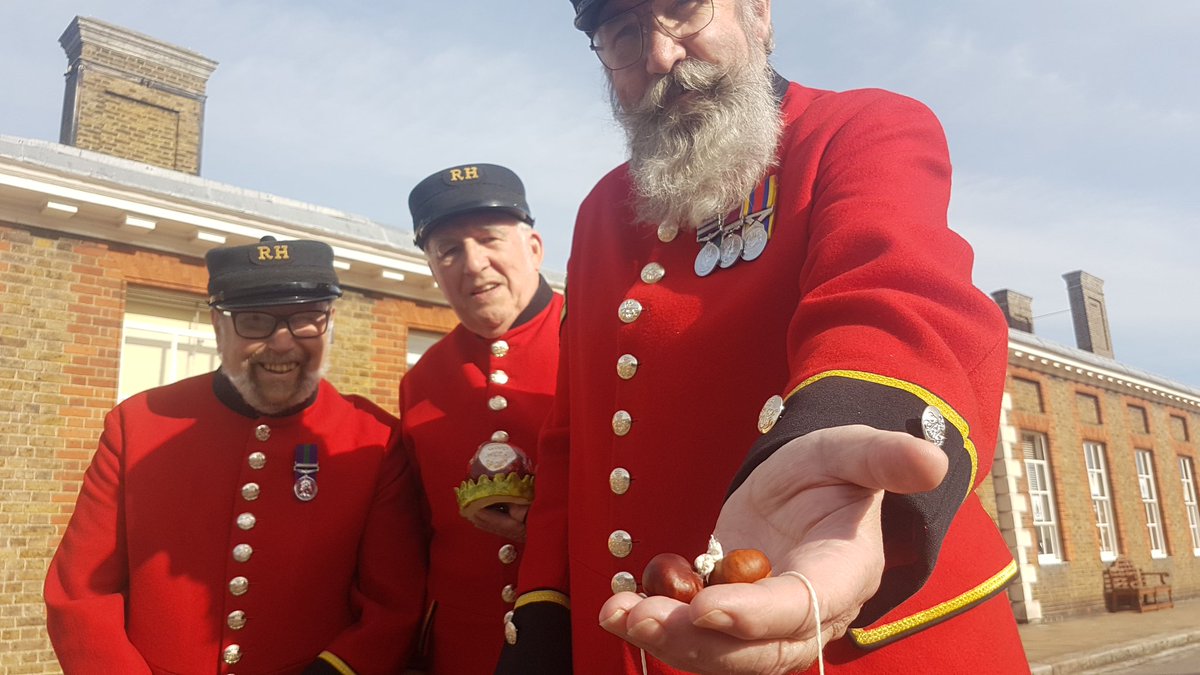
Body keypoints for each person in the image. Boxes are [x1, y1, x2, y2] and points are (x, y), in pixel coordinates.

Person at [499, 1, 1030, 673]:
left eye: (683, 10)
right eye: (622, 32)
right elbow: (572, 435)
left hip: (849, 645)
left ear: (758, 12)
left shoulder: (859, 128)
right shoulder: (601, 210)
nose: (661, 54)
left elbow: (895, 299)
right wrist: (544, 615)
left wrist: (834, 458)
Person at [44, 237, 427, 674]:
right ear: (217, 324)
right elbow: (81, 594)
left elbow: (392, 610)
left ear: (330, 322)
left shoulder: (374, 440)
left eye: (306, 319)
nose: (282, 343)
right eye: (255, 321)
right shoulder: (136, 426)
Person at [400, 163, 564, 673]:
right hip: (464, 648)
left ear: (533, 248)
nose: (473, 265)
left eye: (489, 239)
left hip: (581, 635)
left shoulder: (602, 342)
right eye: (448, 250)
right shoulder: (421, 381)